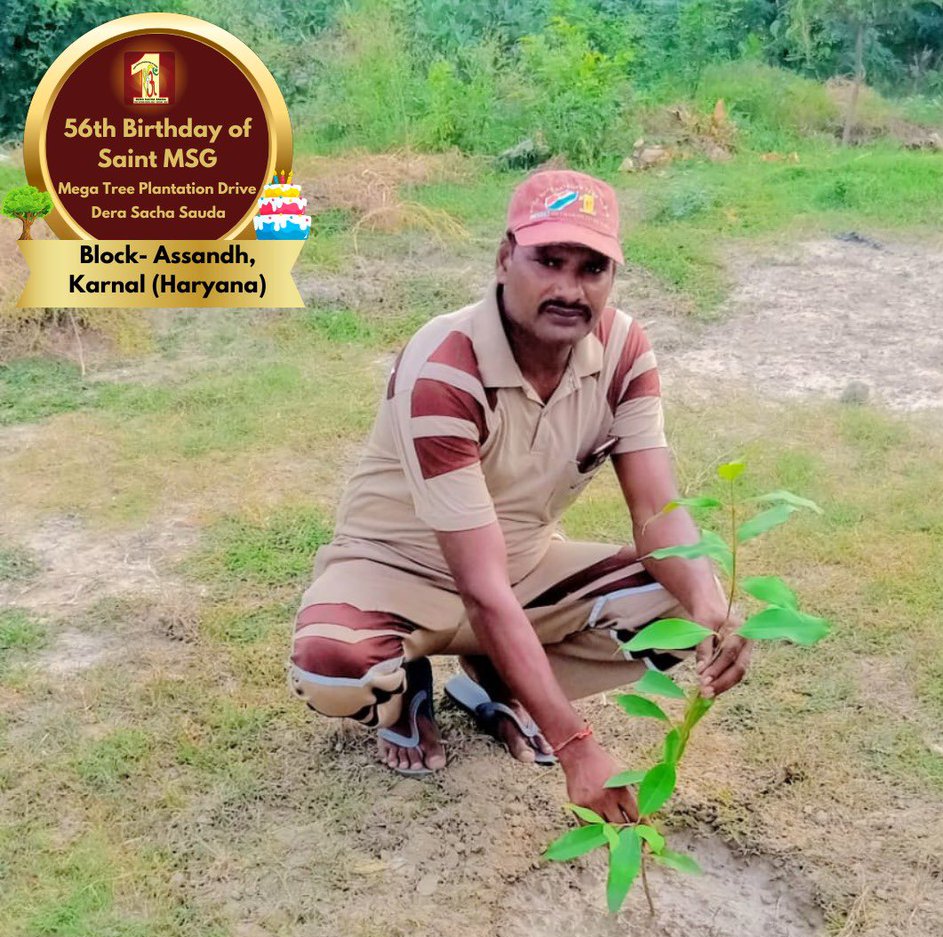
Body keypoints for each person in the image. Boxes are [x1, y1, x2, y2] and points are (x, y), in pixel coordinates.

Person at [288, 169, 751, 823]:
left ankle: (495, 686)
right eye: (549, 260)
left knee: (684, 599)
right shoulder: (445, 369)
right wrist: (575, 744)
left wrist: (712, 609)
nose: (569, 287)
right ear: (506, 258)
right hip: (396, 571)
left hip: (523, 567)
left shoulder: (623, 353)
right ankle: (407, 691)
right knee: (335, 667)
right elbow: (479, 587)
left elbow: (655, 511)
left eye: (593, 267)